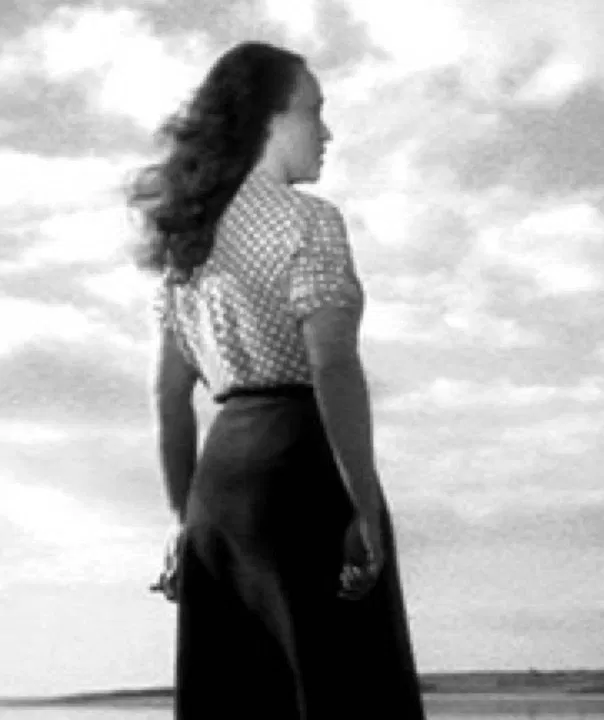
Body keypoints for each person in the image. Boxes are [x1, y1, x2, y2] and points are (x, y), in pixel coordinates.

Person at [129, 41, 425, 719]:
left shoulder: (187, 242)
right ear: (266, 119)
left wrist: (183, 523)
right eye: (312, 111)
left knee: (240, 699)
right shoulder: (310, 222)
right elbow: (332, 364)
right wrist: (363, 505)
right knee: (345, 690)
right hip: (303, 471)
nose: (327, 131)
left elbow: (169, 398)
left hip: (219, 486)